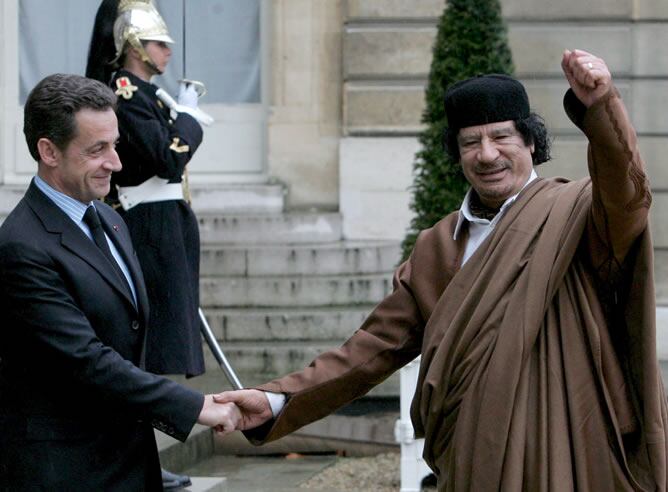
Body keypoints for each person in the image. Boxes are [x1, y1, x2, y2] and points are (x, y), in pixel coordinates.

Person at [214, 49, 668, 490]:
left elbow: (628, 196)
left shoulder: (579, 214)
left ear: (531, 141)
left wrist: (602, 108)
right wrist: (277, 400)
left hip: (568, 450)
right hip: (472, 456)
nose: (487, 154)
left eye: (502, 137)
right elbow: (372, 349)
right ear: (456, 152)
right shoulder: (436, 247)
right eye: (471, 142)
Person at [0, 73, 235, 491]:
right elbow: (86, 361)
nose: (117, 162)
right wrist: (196, 406)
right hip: (66, 473)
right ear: (48, 151)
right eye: (97, 150)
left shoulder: (111, 220)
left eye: (115, 145)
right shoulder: (22, 246)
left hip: (131, 465)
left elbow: (128, 344)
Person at [86, 0, 206, 379]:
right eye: (158, 43)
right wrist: (188, 119)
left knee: (172, 318)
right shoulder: (126, 94)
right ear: (136, 47)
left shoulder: (148, 94)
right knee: (159, 323)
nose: (168, 51)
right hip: (148, 221)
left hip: (166, 218)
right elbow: (167, 158)